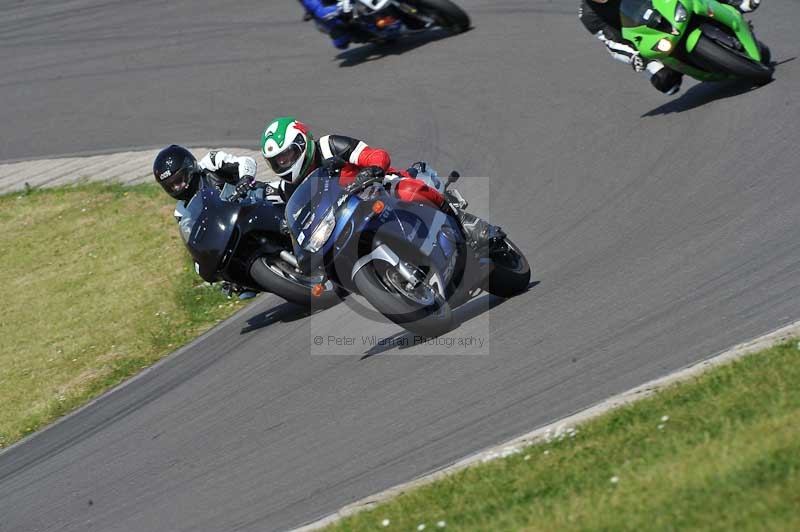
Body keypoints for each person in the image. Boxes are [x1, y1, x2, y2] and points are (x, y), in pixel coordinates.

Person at [259, 116, 505, 256]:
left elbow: (374, 155)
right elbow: (288, 213)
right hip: (345, 219)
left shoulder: (329, 145)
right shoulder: (290, 187)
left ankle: (470, 228)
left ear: (302, 144)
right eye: (278, 161)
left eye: (288, 155)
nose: (285, 163)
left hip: (374, 188)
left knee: (408, 190)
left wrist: (372, 169)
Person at [579, 0, 761, 95]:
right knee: (666, 84)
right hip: (644, 40)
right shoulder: (589, 16)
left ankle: (736, 3)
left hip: (663, 8)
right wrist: (634, 57)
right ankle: (685, 67)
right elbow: (611, 44)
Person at [153, 144, 262, 298]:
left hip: (253, 202)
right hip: (232, 231)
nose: (177, 187)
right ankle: (243, 280)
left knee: (280, 192)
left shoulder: (211, 163)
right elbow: (194, 240)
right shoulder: (181, 211)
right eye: (171, 186)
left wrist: (245, 179)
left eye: (179, 180)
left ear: (189, 168)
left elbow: (246, 161)